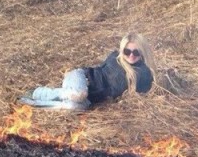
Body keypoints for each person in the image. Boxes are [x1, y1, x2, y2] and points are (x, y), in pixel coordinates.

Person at [19, 33, 157, 110]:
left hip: (91, 98)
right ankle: (38, 93)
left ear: (142, 51)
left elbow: (141, 94)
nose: (131, 55)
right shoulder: (115, 57)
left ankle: (30, 102)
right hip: (82, 78)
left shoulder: (144, 74)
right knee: (78, 94)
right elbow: (99, 71)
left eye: (136, 52)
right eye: (127, 51)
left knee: (73, 107)